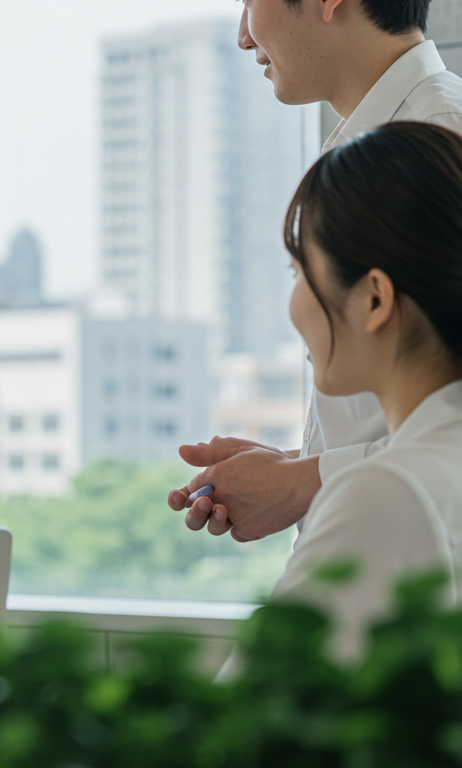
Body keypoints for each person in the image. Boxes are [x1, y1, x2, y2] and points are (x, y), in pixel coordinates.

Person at [168, 0, 462, 542]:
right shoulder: (380, 140)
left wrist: (308, 479)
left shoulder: (439, 138)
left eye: (249, 2)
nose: (243, 36)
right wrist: (295, 467)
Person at [244, 121, 462, 660]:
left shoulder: (383, 493)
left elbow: (241, 733)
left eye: (298, 272)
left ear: (373, 299)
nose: (294, 304)